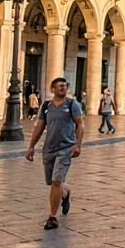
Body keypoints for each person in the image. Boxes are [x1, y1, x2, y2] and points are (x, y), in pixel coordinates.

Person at [25, 77, 84, 230]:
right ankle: (66, 193)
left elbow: (79, 124)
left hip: (66, 147)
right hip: (49, 149)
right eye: (59, 86)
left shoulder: (72, 104)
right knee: (54, 183)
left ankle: (52, 217)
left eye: (64, 85)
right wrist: (31, 147)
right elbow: (39, 127)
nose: (63, 88)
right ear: (53, 89)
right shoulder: (46, 106)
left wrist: (77, 145)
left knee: (56, 181)